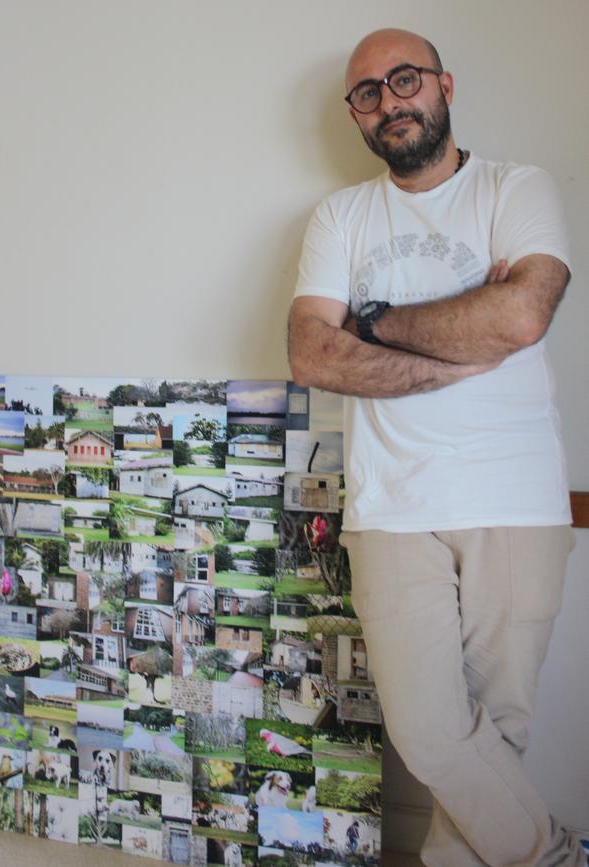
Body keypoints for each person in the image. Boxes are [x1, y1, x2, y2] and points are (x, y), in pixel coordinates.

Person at [287, 28, 584, 867]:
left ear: (443, 84)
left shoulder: (514, 188)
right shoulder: (340, 215)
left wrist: (372, 322)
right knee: (432, 737)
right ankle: (556, 856)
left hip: (515, 501)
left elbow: (522, 315)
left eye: (404, 79)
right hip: (391, 509)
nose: (390, 101)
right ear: (356, 114)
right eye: (368, 92)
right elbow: (313, 353)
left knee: (499, 738)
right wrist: (463, 341)